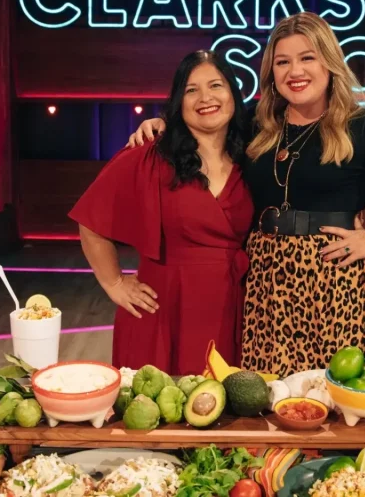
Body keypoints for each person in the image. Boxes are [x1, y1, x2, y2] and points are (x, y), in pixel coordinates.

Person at [127, 12, 365, 376]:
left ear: (329, 62)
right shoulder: (257, 124)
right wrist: (162, 124)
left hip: (337, 278)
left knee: (337, 389)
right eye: (283, 62)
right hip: (266, 279)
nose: (294, 71)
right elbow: (205, 120)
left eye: (307, 58)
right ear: (271, 72)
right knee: (270, 393)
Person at [69, 50, 254, 374]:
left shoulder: (253, 155)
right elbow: (91, 221)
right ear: (178, 102)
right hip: (163, 311)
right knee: (157, 415)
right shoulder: (150, 154)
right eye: (191, 90)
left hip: (233, 308)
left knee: (225, 412)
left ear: (233, 94)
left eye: (216, 85)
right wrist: (114, 283)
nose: (205, 98)